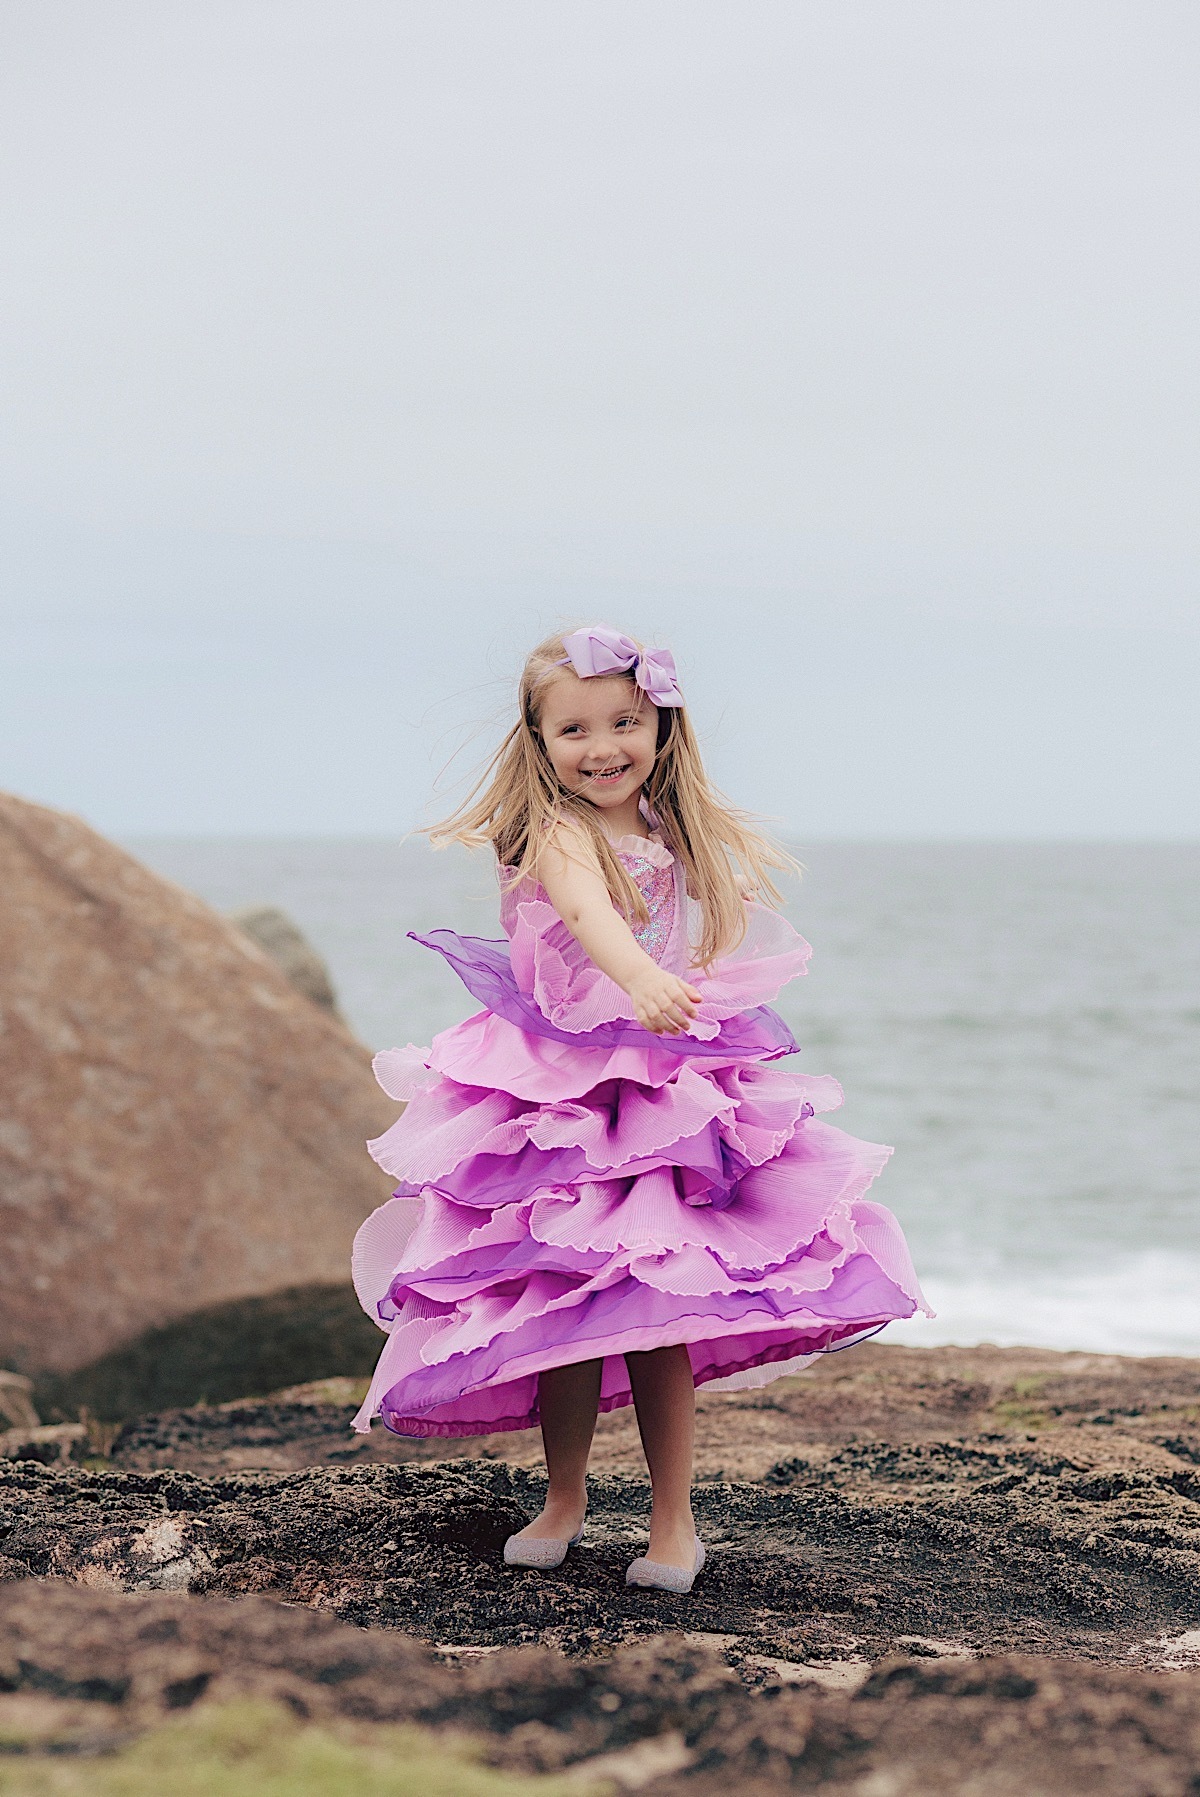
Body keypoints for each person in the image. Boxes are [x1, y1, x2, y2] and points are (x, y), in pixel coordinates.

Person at [351, 625, 929, 1594]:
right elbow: (585, 913)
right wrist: (638, 977)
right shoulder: (557, 831)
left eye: (624, 721)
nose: (602, 747)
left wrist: (685, 972)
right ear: (540, 740)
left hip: (662, 1090)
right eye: (574, 729)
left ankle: (673, 1522)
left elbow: (697, 924)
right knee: (561, 1298)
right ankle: (564, 1497)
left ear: (661, 725)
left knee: (664, 1309)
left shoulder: (667, 826)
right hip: (563, 1090)